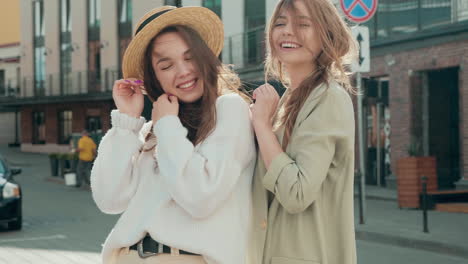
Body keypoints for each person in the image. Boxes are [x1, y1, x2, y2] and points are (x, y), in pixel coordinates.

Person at [90, 6, 256, 264]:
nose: (183, 71)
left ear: (206, 58)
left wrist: (167, 125)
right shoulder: (155, 131)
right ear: (153, 77)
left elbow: (201, 198)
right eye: (166, 65)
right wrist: (127, 122)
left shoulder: (229, 109)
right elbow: (109, 200)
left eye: (190, 58)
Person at [248, 0, 358, 264]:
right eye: (280, 23)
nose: (288, 31)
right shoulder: (290, 99)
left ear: (326, 34)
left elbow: (297, 192)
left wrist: (262, 126)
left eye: (303, 24)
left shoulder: (327, 98)